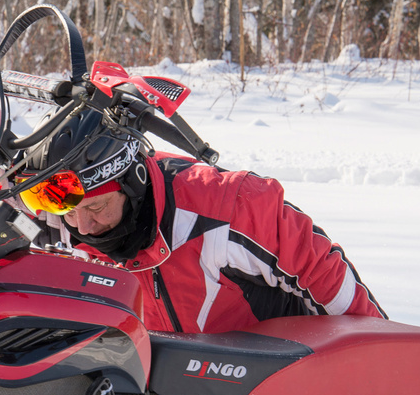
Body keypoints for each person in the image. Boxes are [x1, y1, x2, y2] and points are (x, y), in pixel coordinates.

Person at [19, 110, 386, 334]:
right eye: (69, 212)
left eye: (97, 208)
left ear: (133, 186)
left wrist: (386, 365)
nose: (81, 227)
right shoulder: (61, 208)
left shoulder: (227, 210)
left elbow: (326, 277)